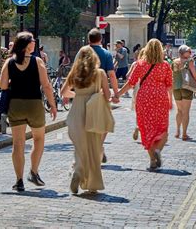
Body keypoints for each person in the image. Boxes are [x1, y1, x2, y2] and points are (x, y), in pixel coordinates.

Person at [0, 32, 56, 192]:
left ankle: (19, 180)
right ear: (26, 44)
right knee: (39, 139)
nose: (34, 43)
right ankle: (34, 171)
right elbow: (46, 85)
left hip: (15, 105)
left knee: (18, 144)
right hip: (34, 105)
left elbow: (3, 86)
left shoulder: (9, 62)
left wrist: (14, 80)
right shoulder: (37, 61)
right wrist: (52, 104)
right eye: (32, 41)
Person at [116, 39, 173, 171]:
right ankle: (158, 150)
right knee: (162, 127)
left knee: (146, 128)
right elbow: (169, 85)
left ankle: (152, 160)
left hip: (144, 98)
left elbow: (130, 83)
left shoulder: (140, 64)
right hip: (160, 97)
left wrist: (118, 94)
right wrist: (171, 100)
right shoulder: (165, 65)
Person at [61, 45, 111, 194]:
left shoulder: (74, 73)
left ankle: (78, 171)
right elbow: (107, 95)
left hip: (75, 113)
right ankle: (90, 182)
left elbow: (64, 92)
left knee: (80, 147)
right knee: (93, 148)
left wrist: (78, 96)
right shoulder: (100, 73)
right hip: (93, 113)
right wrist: (97, 94)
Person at [84, 28, 119, 162]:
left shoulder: (82, 53)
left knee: (86, 121)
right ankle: (98, 146)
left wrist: (67, 93)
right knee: (104, 121)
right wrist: (116, 93)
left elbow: (75, 72)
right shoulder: (106, 54)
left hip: (84, 91)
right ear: (101, 40)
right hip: (100, 92)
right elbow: (111, 75)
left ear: (88, 39)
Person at [172, 45, 196, 140]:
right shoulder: (189, 61)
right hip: (186, 87)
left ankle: (177, 131)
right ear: (183, 52)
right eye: (188, 51)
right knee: (186, 112)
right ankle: (184, 134)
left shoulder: (174, 61)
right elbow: (194, 73)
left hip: (176, 88)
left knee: (179, 110)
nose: (190, 53)